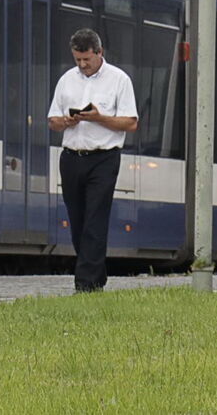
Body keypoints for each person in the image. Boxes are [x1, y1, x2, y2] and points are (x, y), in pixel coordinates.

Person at [47, 28, 138, 292]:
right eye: (77, 60)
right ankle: (95, 275)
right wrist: (66, 121)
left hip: (103, 158)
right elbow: (52, 120)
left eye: (87, 59)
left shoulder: (119, 80)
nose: (82, 65)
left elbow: (130, 122)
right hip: (72, 157)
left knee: (95, 219)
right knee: (77, 221)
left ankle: (85, 284)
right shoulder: (67, 80)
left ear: (100, 53)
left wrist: (98, 117)